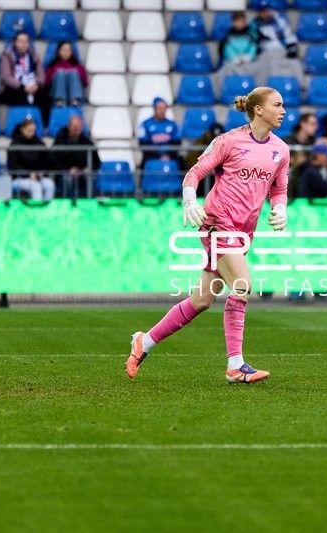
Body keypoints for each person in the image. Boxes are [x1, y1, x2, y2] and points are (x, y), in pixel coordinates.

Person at [126, 86, 289, 384]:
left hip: (244, 231)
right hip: (217, 221)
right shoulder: (228, 141)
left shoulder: (281, 149)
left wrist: (281, 208)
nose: (283, 111)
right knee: (242, 285)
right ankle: (235, 366)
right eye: (277, 105)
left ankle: (144, 342)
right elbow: (194, 173)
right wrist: (190, 199)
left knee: (201, 300)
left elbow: (279, 188)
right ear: (258, 110)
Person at [246, 0, 304, 87]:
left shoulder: (279, 20)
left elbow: (289, 36)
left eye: (267, 9)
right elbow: (252, 43)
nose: (265, 12)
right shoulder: (254, 25)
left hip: (281, 51)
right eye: (262, 10)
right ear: (258, 12)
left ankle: (300, 88)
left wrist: (292, 47)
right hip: (265, 53)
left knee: (295, 63)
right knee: (269, 65)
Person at [0, 31, 50, 124]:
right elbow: (6, 77)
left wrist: (37, 84)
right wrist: (23, 87)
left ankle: (43, 126)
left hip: (33, 85)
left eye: (26, 42)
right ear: (14, 42)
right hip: (14, 87)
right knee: (21, 97)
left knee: (45, 98)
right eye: (20, 41)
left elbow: (41, 74)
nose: (23, 44)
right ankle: (21, 126)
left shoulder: (33, 55)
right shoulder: (7, 55)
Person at [50, 115, 100, 199]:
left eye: (79, 128)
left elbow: (97, 162)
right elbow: (53, 162)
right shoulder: (59, 142)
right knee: (67, 179)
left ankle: (89, 204)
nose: (77, 131)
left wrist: (88, 168)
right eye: (75, 128)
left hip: (83, 173)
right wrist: (68, 170)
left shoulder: (87, 143)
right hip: (65, 173)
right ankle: (67, 205)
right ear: (69, 127)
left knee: (90, 178)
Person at [8, 118, 55, 201]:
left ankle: (47, 211)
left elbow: (45, 163)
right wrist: (28, 175)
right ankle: (36, 211)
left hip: (37, 177)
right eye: (29, 131)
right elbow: (13, 166)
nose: (31, 133)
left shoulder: (40, 144)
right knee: (35, 186)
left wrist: (40, 174)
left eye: (33, 131)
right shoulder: (14, 144)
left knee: (50, 184)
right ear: (22, 129)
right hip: (19, 178)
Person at [138, 97, 183, 169]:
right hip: (151, 156)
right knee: (144, 163)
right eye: (160, 108)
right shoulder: (145, 124)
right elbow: (143, 144)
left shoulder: (172, 124)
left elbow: (177, 143)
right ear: (154, 109)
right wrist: (158, 156)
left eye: (164, 108)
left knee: (181, 162)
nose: (162, 111)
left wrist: (168, 155)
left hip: (170, 156)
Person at [215, 11, 257, 87]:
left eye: (242, 21)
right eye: (238, 21)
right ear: (233, 22)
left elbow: (253, 47)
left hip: (247, 61)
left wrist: (248, 57)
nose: (240, 24)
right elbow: (227, 48)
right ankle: (231, 88)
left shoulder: (250, 34)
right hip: (232, 61)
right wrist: (233, 58)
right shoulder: (229, 35)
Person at [44, 41, 88, 108]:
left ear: (72, 52)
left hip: (76, 94)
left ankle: (75, 100)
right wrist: (59, 76)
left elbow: (85, 83)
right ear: (58, 52)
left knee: (73, 72)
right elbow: (47, 84)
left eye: (68, 50)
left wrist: (72, 76)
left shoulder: (78, 66)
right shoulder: (52, 66)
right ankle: (60, 100)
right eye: (63, 50)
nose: (66, 52)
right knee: (60, 73)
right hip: (55, 94)